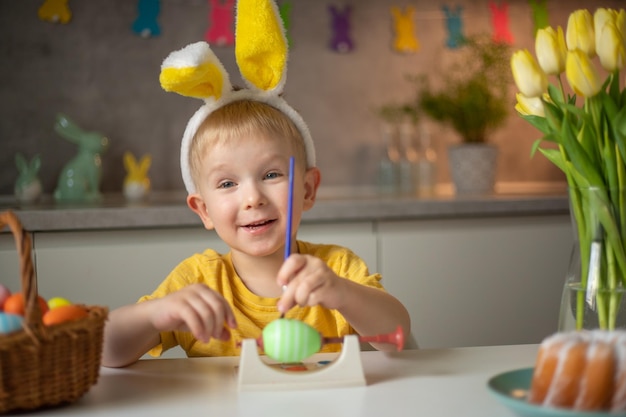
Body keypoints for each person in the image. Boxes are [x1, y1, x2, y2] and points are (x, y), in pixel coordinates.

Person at [101, 0, 410, 368]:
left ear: (308, 189)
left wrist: (342, 294)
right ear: (203, 210)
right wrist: (154, 315)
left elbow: (400, 338)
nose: (252, 198)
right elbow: (105, 352)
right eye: (228, 183)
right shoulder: (197, 280)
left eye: (271, 175)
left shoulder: (335, 269)